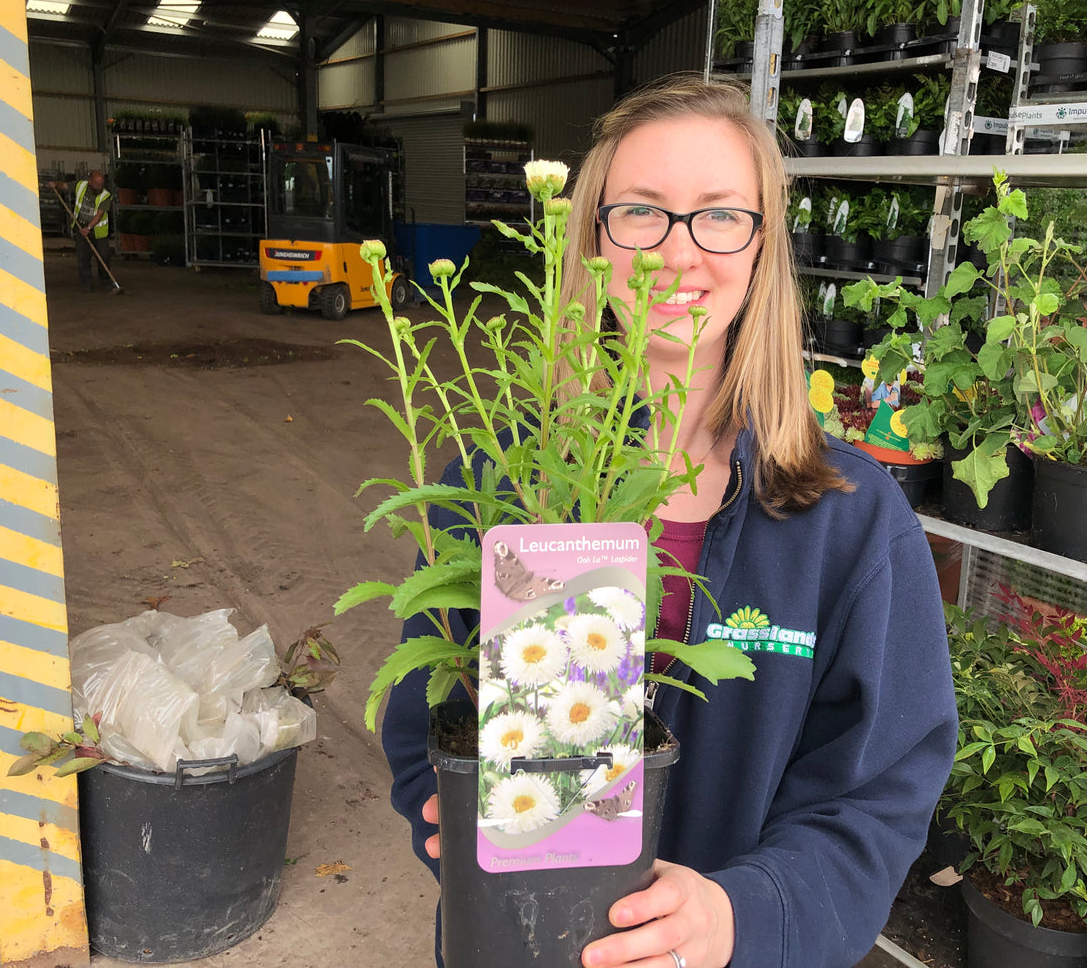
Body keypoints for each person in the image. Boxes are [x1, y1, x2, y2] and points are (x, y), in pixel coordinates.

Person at [382, 74, 958, 968]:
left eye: (721, 215)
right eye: (641, 212)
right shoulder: (501, 484)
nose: (678, 254)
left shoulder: (848, 520)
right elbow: (430, 708)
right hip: (522, 940)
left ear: (765, 246)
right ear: (593, 237)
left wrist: (742, 915)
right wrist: (448, 820)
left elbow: (883, 789)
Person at [63, 171, 113, 291]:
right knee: (83, 257)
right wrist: (55, 184)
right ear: (89, 181)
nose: (100, 187)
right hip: (81, 227)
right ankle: (86, 283)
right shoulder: (80, 186)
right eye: (97, 184)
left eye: (101, 184)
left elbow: (99, 215)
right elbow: (65, 186)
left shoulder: (105, 195)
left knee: (104, 256)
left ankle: (105, 281)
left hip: (98, 231)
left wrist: (89, 228)